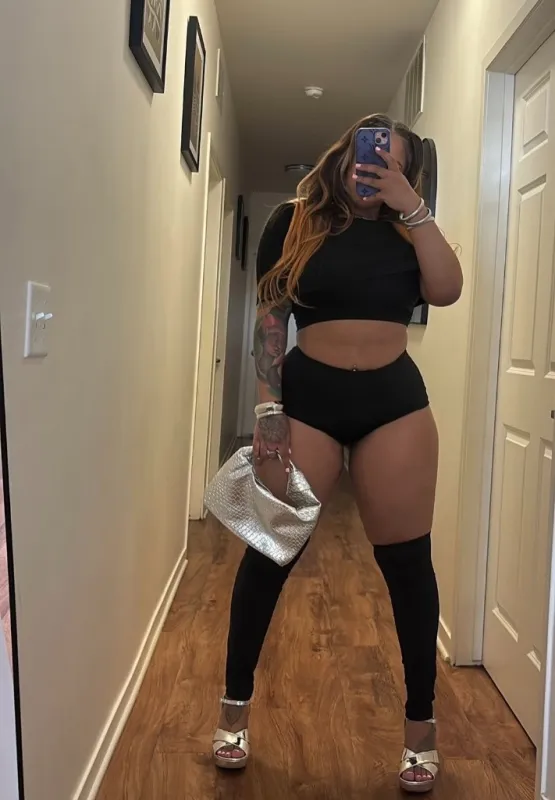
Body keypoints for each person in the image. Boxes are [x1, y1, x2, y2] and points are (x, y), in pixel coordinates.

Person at [212, 113, 463, 793]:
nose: (371, 168)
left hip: (394, 405)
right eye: (364, 155)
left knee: (408, 567)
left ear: (406, 171)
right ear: (342, 157)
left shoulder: (410, 229)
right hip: (307, 403)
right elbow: (271, 316)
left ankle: (420, 731)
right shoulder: (294, 221)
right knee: (270, 552)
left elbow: (446, 291)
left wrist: (414, 208)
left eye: (390, 162)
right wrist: (267, 410)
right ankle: (233, 711)